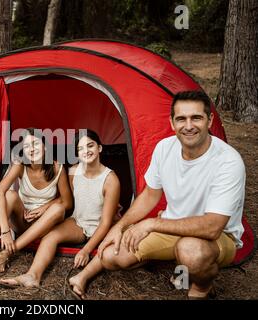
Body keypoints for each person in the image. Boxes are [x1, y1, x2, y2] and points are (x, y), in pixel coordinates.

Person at [69, 90, 245, 299]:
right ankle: (168, 262)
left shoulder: (228, 161)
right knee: (110, 256)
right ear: (172, 123)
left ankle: (201, 288)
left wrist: (151, 224)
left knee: (190, 251)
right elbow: (149, 195)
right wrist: (120, 227)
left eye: (196, 117)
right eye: (181, 119)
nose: (188, 126)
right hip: (172, 226)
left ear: (210, 120)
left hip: (215, 237)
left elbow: (212, 226)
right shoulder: (164, 148)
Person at [0, 129, 121, 290]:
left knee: (90, 229)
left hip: (99, 226)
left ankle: (8, 252)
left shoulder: (111, 179)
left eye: (90, 146)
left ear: (100, 148)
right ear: (76, 153)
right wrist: (46, 207)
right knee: (50, 236)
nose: (86, 151)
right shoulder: (74, 171)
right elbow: (65, 200)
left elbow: (105, 222)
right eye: (80, 149)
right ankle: (32, 276)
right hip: (77, 222)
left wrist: (86, 250)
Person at [0, 128, 73, 280]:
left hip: (44, 225)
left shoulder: (57, 167)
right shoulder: (20, 165)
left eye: (35, 143)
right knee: (9, 195)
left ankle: (7, 252)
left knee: (58, 208)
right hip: (22, 220)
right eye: (26, 147)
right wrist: (5, 231)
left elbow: (67, 202)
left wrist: (44, 207)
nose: (32, 149)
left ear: (45, 146)